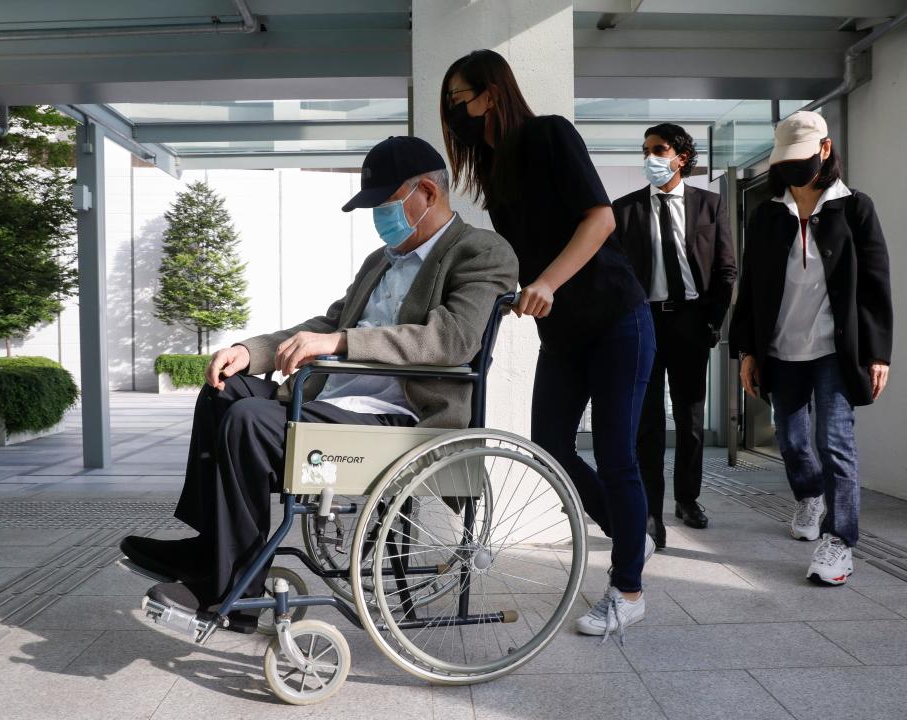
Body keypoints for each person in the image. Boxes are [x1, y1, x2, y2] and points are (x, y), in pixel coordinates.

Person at [120, 135, 519, 612]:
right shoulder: (381, 262)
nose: (378, 218)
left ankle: (229, 588)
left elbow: (453, 338)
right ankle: (211, 550)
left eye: (385, 204)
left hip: (400, 417)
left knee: (250, 420)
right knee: (222, 392)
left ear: (427, 195)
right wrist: (252, 352)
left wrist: (342, 343)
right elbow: (330, 323)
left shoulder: (481, 251)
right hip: (337, 402)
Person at [440, 49, 655, 639]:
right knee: (550, 444)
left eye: (459, 98)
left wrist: (545, 283)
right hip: (564, 331)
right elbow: (525, 253)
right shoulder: (494, 168)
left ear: (490, 92)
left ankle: (628, 589)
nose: (454, 112)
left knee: (616, 456)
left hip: (617, 318)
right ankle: (635, 534)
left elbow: (600, 220)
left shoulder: (549, 135)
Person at [729, 111, 892, 585]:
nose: (792, 168)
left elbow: (876, 283)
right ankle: (809, 495)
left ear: (824, 151)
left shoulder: (854, 207)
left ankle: (840, 542)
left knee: (834, 441)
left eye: (800, 158)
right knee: (792, 438)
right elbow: (752, 286)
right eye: (786, 160)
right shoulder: (766, 215)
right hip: (781, 347)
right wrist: (747, 350)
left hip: (835, 349)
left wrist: (877, 351)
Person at [614, 123, 737, 548]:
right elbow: (615, 275)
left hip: (690, 321)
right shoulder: (624, 209)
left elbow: (726, 269)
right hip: (644, 322)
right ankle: (650, 511)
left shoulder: (709, 205)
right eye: (646, 150)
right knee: (647, 423)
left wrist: (711, 323)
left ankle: (688, 499)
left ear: (681, 156)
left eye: (659, 149)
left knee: (690, 420)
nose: (650, 157)